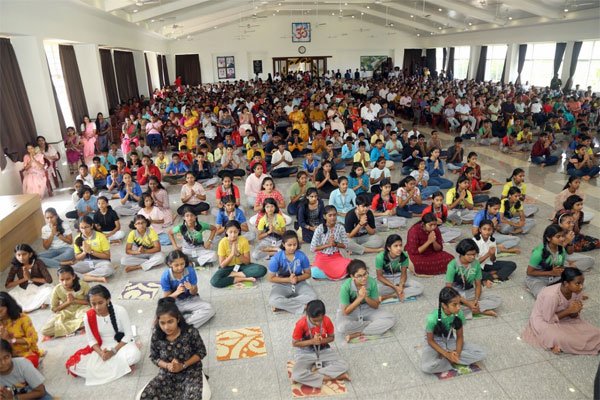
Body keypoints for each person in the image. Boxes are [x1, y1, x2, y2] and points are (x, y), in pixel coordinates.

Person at [65, 285, 141, 385]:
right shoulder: (88, 316)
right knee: (73, 365)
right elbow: (91, 340)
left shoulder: (120, 310)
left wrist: (112, 352)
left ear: (108, 300)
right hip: (101, 346)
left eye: (100, 303)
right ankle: (122, 367)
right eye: (93, 304)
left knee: (135, 355)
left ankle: (117, 366)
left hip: (121, 344)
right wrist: (101, 354)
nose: (97, 307)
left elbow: (128, 335)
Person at [139, 297, 208, 400]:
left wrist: (183, 365)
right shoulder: (157, 336)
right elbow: (154, 357)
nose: (166, 327)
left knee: (193, 397)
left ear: (178, 319)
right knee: (145, 396)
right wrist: (168, 366)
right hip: (167, 374)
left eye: (170, 322)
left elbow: (201, 352)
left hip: (191, 372)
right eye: (162, 323)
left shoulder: (190, 332)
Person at [522, 268, 600, 355]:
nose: (581, 287)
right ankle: (560, 343)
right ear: (566, 284)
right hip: (544, 321)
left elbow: (574, 316)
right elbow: (548, 319)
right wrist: (568, 311)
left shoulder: (577, 291)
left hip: (565, 318)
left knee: (594, 332)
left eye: (582, 283)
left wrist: (575, 311)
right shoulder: (552, 296)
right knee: (562, 337)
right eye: (578, 283)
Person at [421, 287, 486, 374]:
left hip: (450, 340)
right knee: (426, 367)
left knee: (481, 353)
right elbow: (430, 341)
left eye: (459, 304)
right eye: (454, 305)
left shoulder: (459, 314)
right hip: (436, 342)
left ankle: (450, 360)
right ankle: (449, 358)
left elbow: (460, 337)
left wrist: (457, 354)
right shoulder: (432, 318)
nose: (458, 307)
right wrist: (446, 354)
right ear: (444, 305)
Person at [291, 299, 350, 388]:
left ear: (323, 315)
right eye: (315, 321)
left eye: (320, 320)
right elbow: (295, 343)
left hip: (323, 350)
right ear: (308, 315)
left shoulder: (327, 320)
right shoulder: (301, 323)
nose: (318, 323)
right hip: (305, 353)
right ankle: (336, 377)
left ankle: (312, 374)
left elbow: (331, 338)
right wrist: (312, 341)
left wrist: (321, 341)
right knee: (296, 375)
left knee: (344, 366)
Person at [336, 260, 396, 342]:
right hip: (352, 310)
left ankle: (359, 333)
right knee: (342, 327)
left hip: (367, 308)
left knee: (390, 319)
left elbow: (376, 305)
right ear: (352, 276)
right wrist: (359, 298)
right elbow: (346, 312)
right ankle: (370, 325)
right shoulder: (345, 286)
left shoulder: (371, 282)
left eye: (365, 274)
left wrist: (366, 297)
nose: (364, 278)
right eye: (359, 276)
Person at [445, 239, 502, 318]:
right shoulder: (452, 265)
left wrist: (476, 300)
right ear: (461, 253)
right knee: (448, 308)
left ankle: (473, 310)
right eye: (469, 255)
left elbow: (478, 284)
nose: (472, 257)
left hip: (469, 291)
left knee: (496, 299)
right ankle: (479, 310)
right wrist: (468, 303)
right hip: (455, 294)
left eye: (474, 254)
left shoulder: (476, 263)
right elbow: (449, 289)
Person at [160, 250, 215, 329]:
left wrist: (191, 288)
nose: (180, 268)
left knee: (209, 309)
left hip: (190, 299)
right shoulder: (165, 276)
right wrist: (176, 292)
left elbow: (194, 292)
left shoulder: (190, 270)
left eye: (182, 264)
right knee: (164, 316)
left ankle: (182, 326)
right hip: (175, 302)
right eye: (176, 265)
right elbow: (166, 300)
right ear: (170, 264)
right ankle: (185, 321)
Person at [267, 231, 317, 314]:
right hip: (281, 283)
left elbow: (308, 274)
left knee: (313, 297)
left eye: (295, 244)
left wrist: (297, 278)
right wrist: (288, 280)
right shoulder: (276, 258)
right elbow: (270, 278)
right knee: (273, 300)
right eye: (289, 245)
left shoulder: (302, 256)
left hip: (299, 282)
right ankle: (302, 306)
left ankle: (284, 305)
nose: (292, 247)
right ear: (283, 244)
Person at [210, 221, 267, 288]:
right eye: (230, 232)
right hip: (227, 268)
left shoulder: (243, 240)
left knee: (262, 270)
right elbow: (222, 265)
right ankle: (242, 278)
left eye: (235, 232)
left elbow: (247, 262)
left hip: (242, 266)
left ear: (239, 231)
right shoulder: (222, 243)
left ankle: (234, 275)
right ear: (226, 231)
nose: (233, 235)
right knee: (214, 281)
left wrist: (238, 254)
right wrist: (232, 254)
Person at [41, 266, 90, 338]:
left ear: (73, 276)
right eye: (62, 280)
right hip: (65, 313)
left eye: (68, 279)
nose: (65, 282)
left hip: (81, 309)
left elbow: (90, 302)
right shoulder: (57, 289)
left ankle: (67, 328)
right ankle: (77, 327)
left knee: (88, 318)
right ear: (58, 279)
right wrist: (67, 302)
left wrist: (74, 300)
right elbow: (54, 309)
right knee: (45, 330)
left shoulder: (83, 285)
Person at [375, 234, 424, 301]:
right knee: (376, 289)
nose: (399, 248)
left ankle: (394, 294)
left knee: (420, 287)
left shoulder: (404, 255)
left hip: (398, 278)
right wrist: (395, 287)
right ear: (389, 248)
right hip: (386, 279)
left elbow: (404, 274)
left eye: (400, 245)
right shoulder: (380, 257)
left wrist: (401, 285)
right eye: (396, 246)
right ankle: (398, 293)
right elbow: (379, 276)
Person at [5, 244, 52, 313]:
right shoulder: (15, 266)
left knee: (49, 291)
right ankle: (39, 303)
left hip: (40, 287)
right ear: (15, 255)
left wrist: (31, 278)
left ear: (30, 254)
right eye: (18, 255)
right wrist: (24, 279)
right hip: (24, 289)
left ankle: (38, 303)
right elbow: (8, 285)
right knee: (9, 296)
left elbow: (49, 280)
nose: (21, 257)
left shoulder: (38, 262)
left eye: (24, 254)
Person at [0, 292, 42, 368]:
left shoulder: (23, 319)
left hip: (26, 353)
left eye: (0, 311)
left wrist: (10, 340)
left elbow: (33, 339)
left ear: (8, 307)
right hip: (5, 356)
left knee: (26, 365)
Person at [310, 205, 352, 280]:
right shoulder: (319, 229)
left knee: (352, 265)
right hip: (323, 257)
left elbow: (346, 245)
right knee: (314, 272)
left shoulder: (340, 227)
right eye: (330, 215)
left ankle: (331, 274)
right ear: (324, 216)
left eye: (334, 215)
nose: (333, 217)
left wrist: (335, 244)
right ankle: (337, 274)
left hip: (336, 257)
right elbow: (312, 248)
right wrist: (328, 245)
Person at [526, 224, 568, 298]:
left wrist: (561, 271)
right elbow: (529, 272)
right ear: (548, 238)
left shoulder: (562, 249)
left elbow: (560, 266)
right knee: (543, 297)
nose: (562, 239)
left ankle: (552, 288)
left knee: (574, 282)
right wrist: (551, 272)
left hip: (555, 277)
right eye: (558, 237)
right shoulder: (538, 253)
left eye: (563, 236)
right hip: (538, 278)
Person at [473, 220, 517, 286]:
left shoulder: (492, 240)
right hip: (477, 266)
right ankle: (492, 275)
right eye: (484, 229)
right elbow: (473, 264)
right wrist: (488, 254)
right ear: (480, 230)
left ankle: (491, 276)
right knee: (473, 272)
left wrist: (492, 254)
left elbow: (493, 260)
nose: (486, 232)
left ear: (492, 230)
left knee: (512, 265)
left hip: (488, 264)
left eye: (489, 229)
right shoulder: (474, 242)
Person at [72, 216, 115, 283]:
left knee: (109, 269)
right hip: (87, 263)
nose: (84, 230)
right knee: (68, 270)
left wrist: (91, 251)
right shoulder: (77, 239)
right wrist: (84, 252)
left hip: (101, 262)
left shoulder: (101, 236)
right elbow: (77, 257)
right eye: (81, 228)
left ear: (91, 226)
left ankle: (85, 276)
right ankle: (95, 277)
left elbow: (107, 256)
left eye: (86, 227)